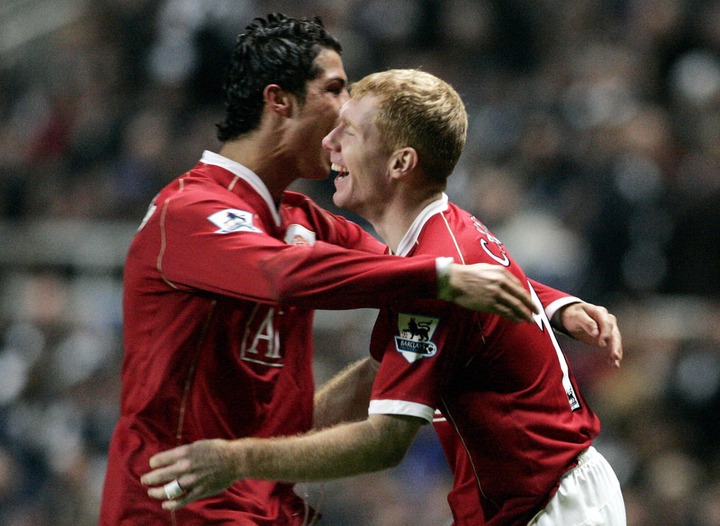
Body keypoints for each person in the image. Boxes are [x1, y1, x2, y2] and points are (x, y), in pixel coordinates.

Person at [98, 14, 558, 526]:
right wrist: (442, 278)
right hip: (177, 507)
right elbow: (283, 275)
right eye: (335, 89)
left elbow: (413, 260)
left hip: (263, 506)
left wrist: (551, 304)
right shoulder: (188, 213)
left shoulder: (299, 216)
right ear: (280, 101)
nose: (347, 110)